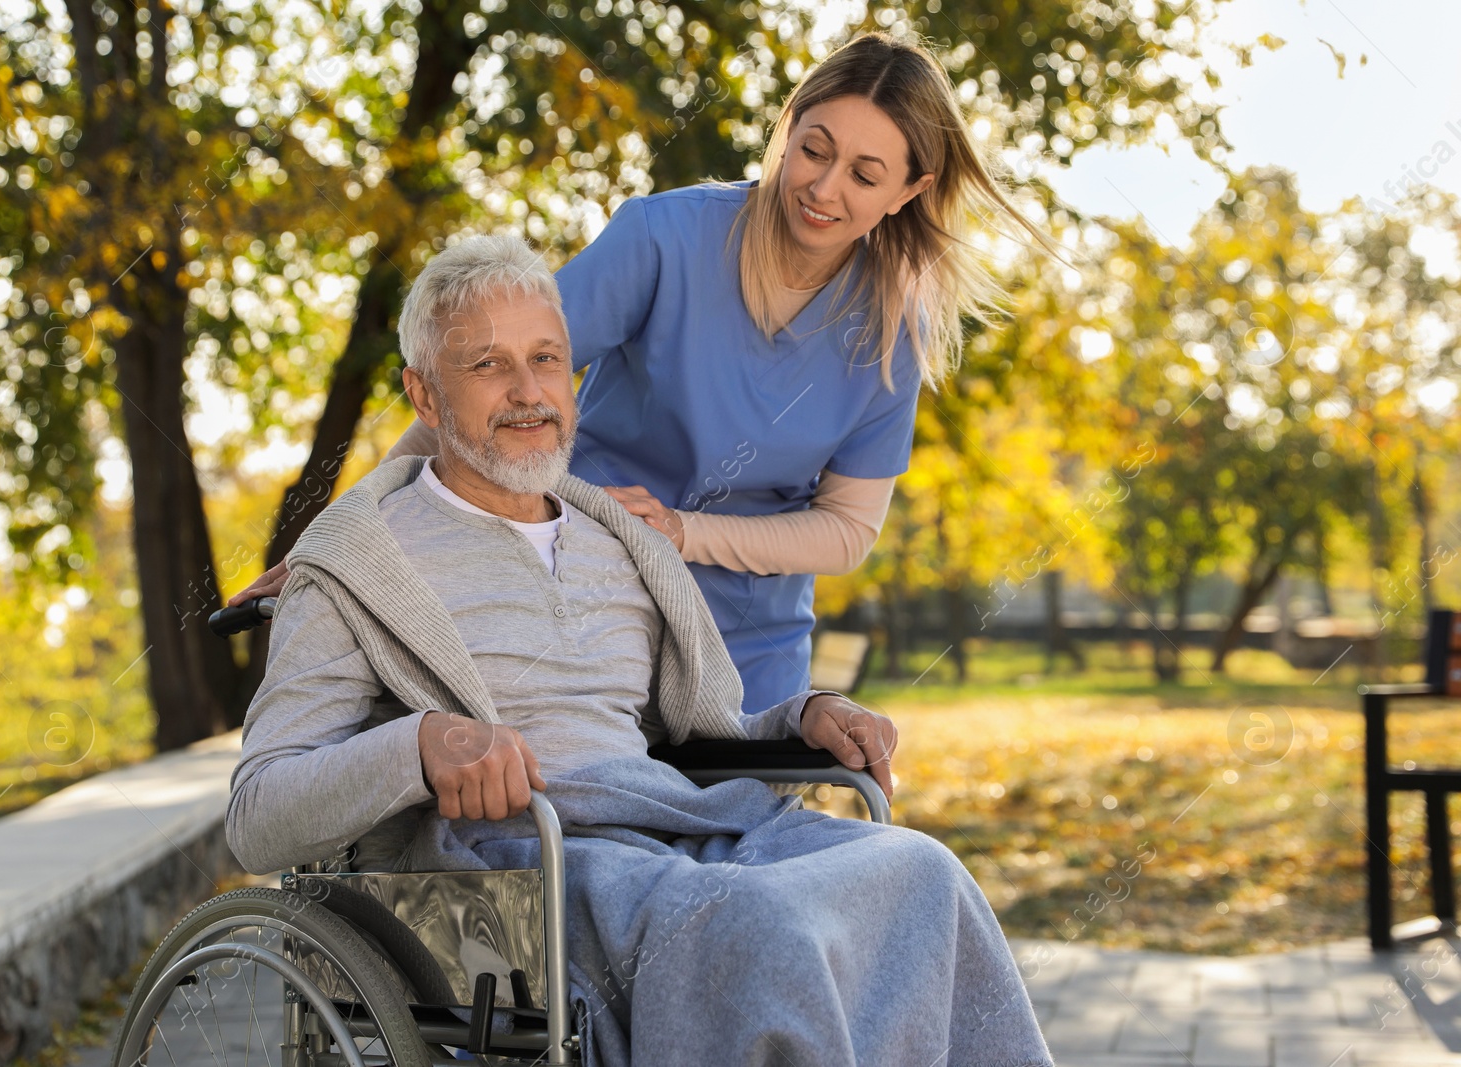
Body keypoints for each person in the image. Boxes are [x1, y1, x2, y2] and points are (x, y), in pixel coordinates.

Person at [227, 235, 1051, 1067]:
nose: (527, 392)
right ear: (425, 396)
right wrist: (420, 745)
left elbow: (694, 734)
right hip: (513, 869)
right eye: (488, 365)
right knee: (754, 930)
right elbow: (259, 815)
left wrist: (806, 717)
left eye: (547, 360)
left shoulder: (618, 541)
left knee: (921, 876)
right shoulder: (361, 563)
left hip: (676, 826)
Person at [231, 31, 1048, 715]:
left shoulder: (893, 333)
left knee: (739, 877)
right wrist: (340, 539)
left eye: (865, 175)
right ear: (790, 127)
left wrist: (686, 533)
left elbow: (846, 531)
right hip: (582, 616)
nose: (823, 189)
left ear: (913, 189)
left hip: (749, 653)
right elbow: (480, 397)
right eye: (814, 150)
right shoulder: (664, 241)